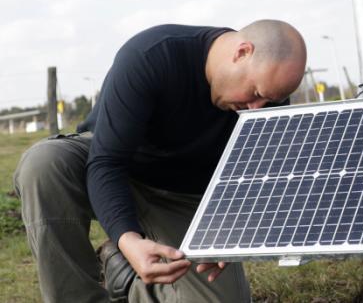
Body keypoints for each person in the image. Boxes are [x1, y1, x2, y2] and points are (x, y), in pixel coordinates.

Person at [14, 20, 307, 303]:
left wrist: (233, 232)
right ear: (242, 52)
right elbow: (106, 162)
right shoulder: (152, 55)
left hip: (185, 195)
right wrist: (127, 238)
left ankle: (122, 274)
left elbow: (261, 178)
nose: (256, 108)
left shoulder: (269, 99)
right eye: (255, 93)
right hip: (116, 170)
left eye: (268, 101)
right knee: (44, 164)